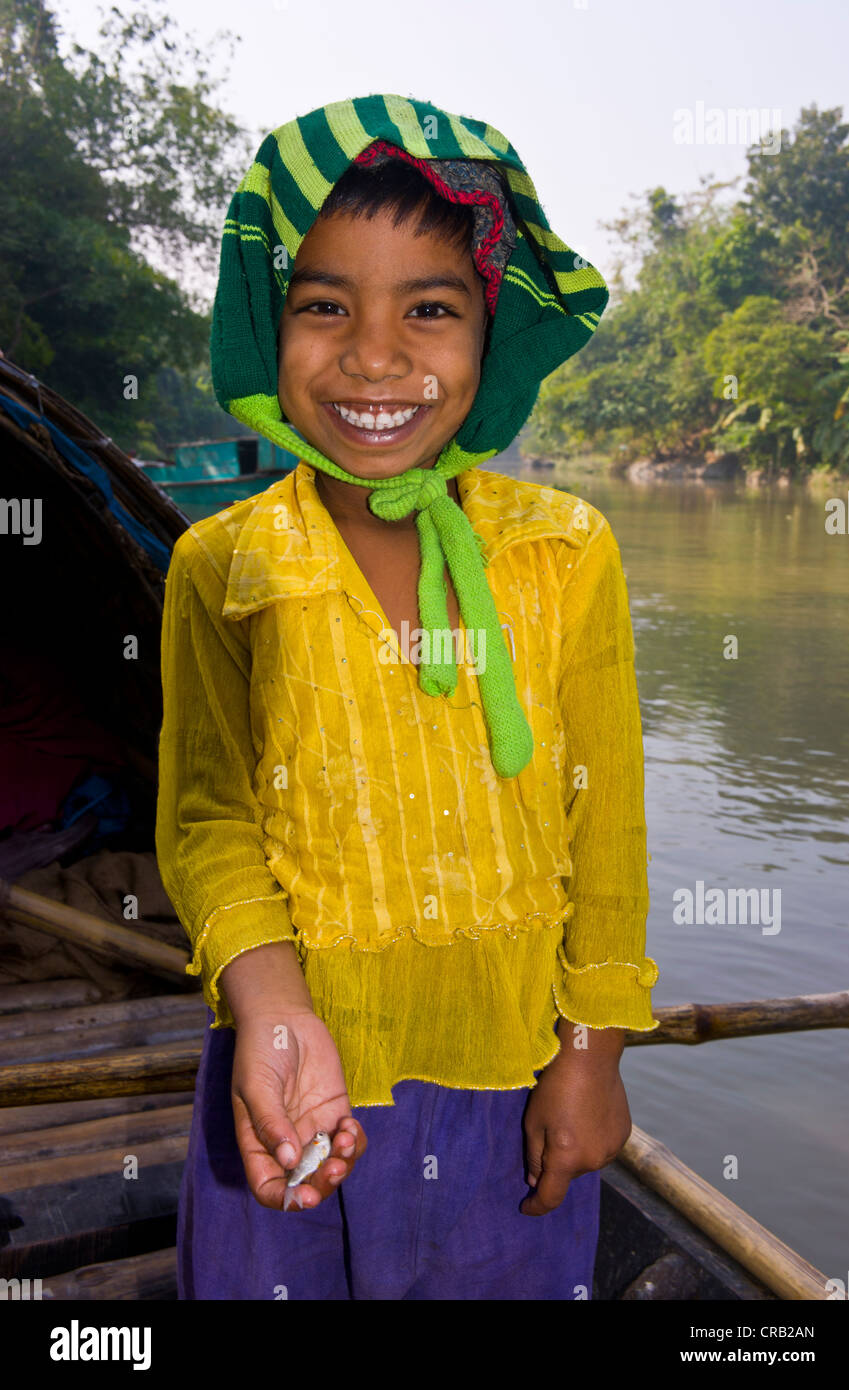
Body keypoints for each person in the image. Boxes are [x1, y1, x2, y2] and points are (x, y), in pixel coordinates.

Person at [155, 93, 660, 1301]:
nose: (374, 357)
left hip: (513, 1074)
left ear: (490, 335)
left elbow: (609, 828)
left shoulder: (563, 548)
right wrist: (270, 1006)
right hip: (291, 1077)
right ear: (263, 326)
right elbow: (207, 817)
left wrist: (589, 1053)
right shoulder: (222, 565)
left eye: (428, 310)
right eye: (323, 305)